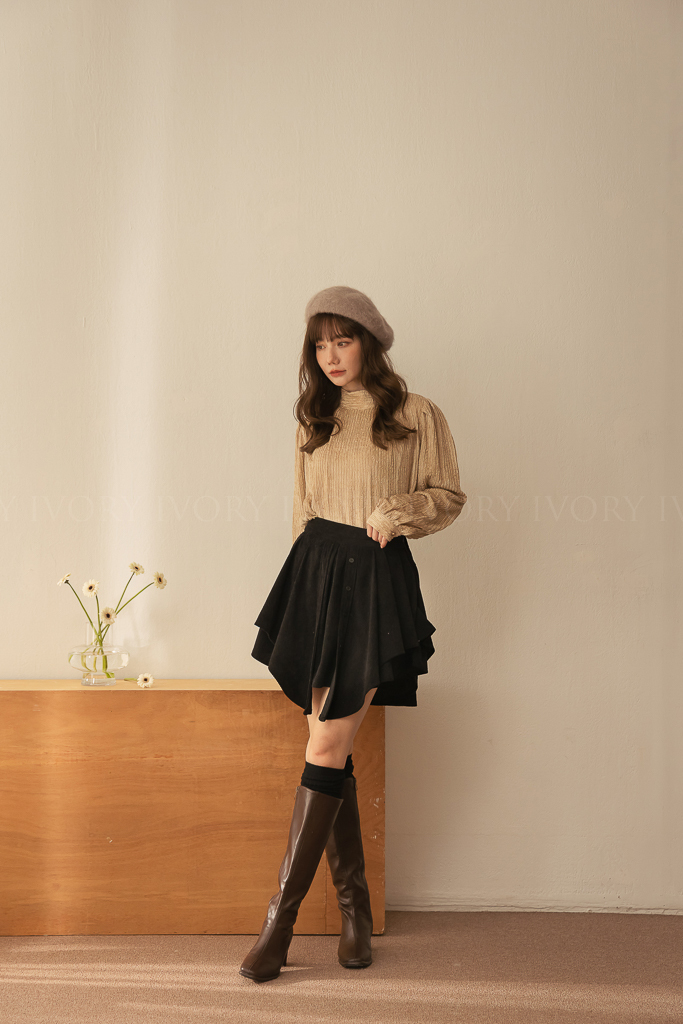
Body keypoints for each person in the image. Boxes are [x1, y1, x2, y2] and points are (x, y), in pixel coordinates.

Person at [239, 285, 467, 982]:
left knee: (326, 742)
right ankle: (354, 912)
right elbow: (302, 508)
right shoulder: (315, 416)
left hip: (372, 579)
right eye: (319, 344)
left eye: (342, 340)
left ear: (370, 342)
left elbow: (448, 494)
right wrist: (298, 593)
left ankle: (278, 926)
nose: (330, 356)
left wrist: (394, 513)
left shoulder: (414, 413)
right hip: (314, 575)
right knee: (327, 748)